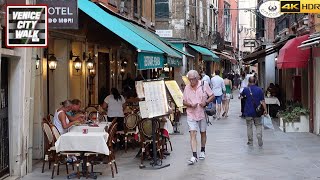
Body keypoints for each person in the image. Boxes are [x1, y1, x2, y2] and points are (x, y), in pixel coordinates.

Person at [183, 70, 214, 165]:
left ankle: (203, 150)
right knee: (192, 133)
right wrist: (190, 104)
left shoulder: (204, 85)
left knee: (203, 132)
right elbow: (183, 101)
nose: (191, 81)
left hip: (202, 113)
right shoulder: (187, 87)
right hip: (191, 113)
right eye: (189, 79)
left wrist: (206, 102)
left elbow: (212, 95)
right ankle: (194, 155)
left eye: (193, 79)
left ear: (197, 78)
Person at [240, 76, 267, 147]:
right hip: (257, 111)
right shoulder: (260, 90)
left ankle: (250, 141)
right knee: (258, 125)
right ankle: (259, 136)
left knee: (249, 126)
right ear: (255, 81)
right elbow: (263, 101)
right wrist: (265, 110)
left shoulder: (246, 89)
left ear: (249, 82)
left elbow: (241, 96)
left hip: (248, 111)